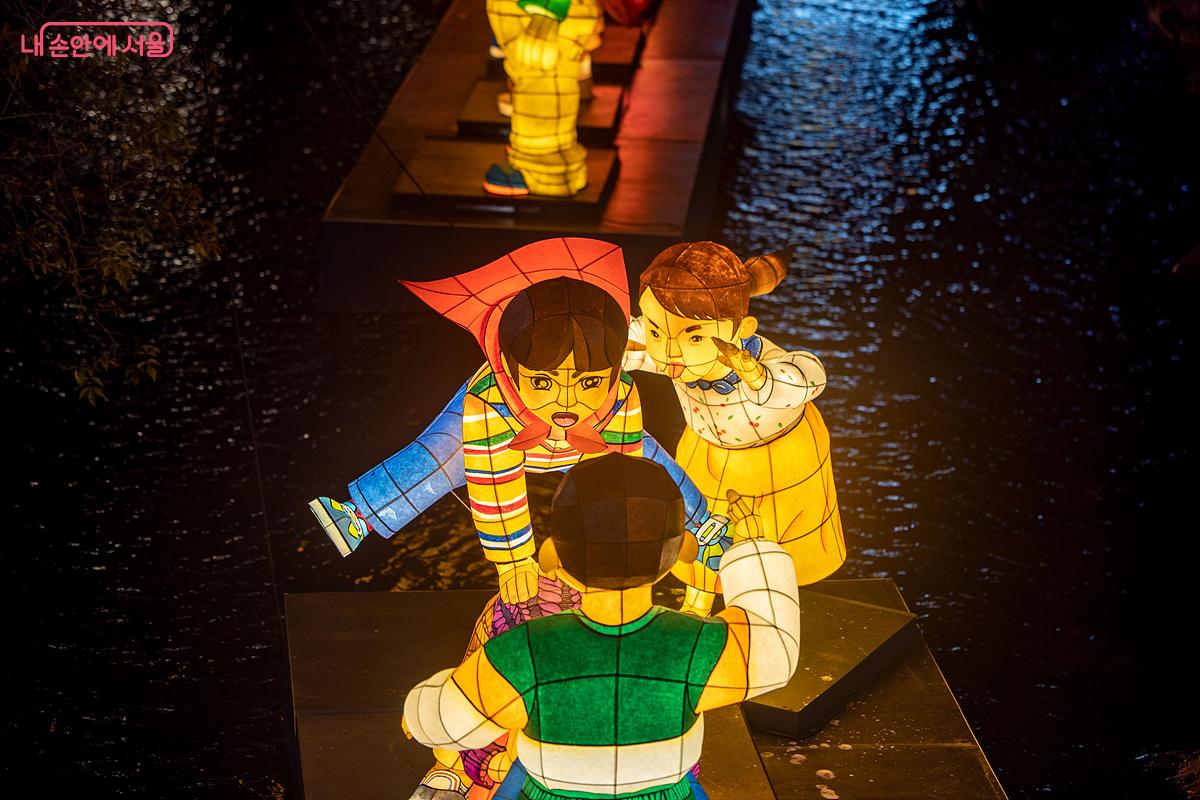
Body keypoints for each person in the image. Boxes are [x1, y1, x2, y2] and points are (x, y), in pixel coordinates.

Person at [403, 453, 801, 800]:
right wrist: (752, 548)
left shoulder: (523, 653)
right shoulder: (699, 646)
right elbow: (774, 650)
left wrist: (419, 708)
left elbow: (444, 722)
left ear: (552, 556)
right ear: (681, 552)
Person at [625, 241, 846, 616]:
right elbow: (618, 343)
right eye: (657, 332)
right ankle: (697, 601)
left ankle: (776, 606)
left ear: (742, 329)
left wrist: (759, 377)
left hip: (777, 458)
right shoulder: (668, 353)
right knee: (701, 522)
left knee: (775, 538)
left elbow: (810, 374)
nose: (670, 353)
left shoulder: (757, 359)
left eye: (694, 336)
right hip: (706, 451)